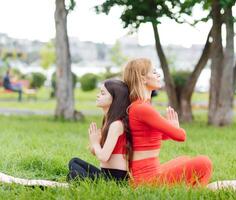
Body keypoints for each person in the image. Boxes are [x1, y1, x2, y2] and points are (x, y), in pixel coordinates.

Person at [123, 58, 213, 187]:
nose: (158, 75)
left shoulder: (139, 106)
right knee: (205, 162)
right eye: (153, 72)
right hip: (146, 181)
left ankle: (189, 189)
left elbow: (161, 135)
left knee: (184, 159)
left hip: (146, 175)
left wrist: (172, 128)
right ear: (142, 79)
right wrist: (176, 128)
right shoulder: (142, 108)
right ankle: (196, 192)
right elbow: (180, 136)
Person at [67, 79, 133, 183]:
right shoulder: (108, 121)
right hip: (105, 174)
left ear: (115, 99)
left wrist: (95, 143)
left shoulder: (117, 124)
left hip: (115, 179)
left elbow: (103, 157)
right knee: (74, 161)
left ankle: (78, 180)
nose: (98, 95)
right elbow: (98, 152)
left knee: (74, 174)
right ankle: (79, 180)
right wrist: (94, 145)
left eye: (102, 93)